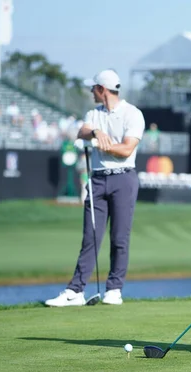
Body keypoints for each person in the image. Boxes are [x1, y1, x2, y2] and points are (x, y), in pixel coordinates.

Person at [45, 69, 145, 307]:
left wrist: (103, 146)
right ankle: (76, 290)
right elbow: (81, 131)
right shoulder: (94, 113)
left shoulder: (133, 114)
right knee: (90, 236)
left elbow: (127, 149)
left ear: (102, 89)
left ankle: (114, 289)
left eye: (93, 88)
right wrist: (97, 132)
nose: (91, 92)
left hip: (123, 179)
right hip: (98, 180)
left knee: (120, 237)